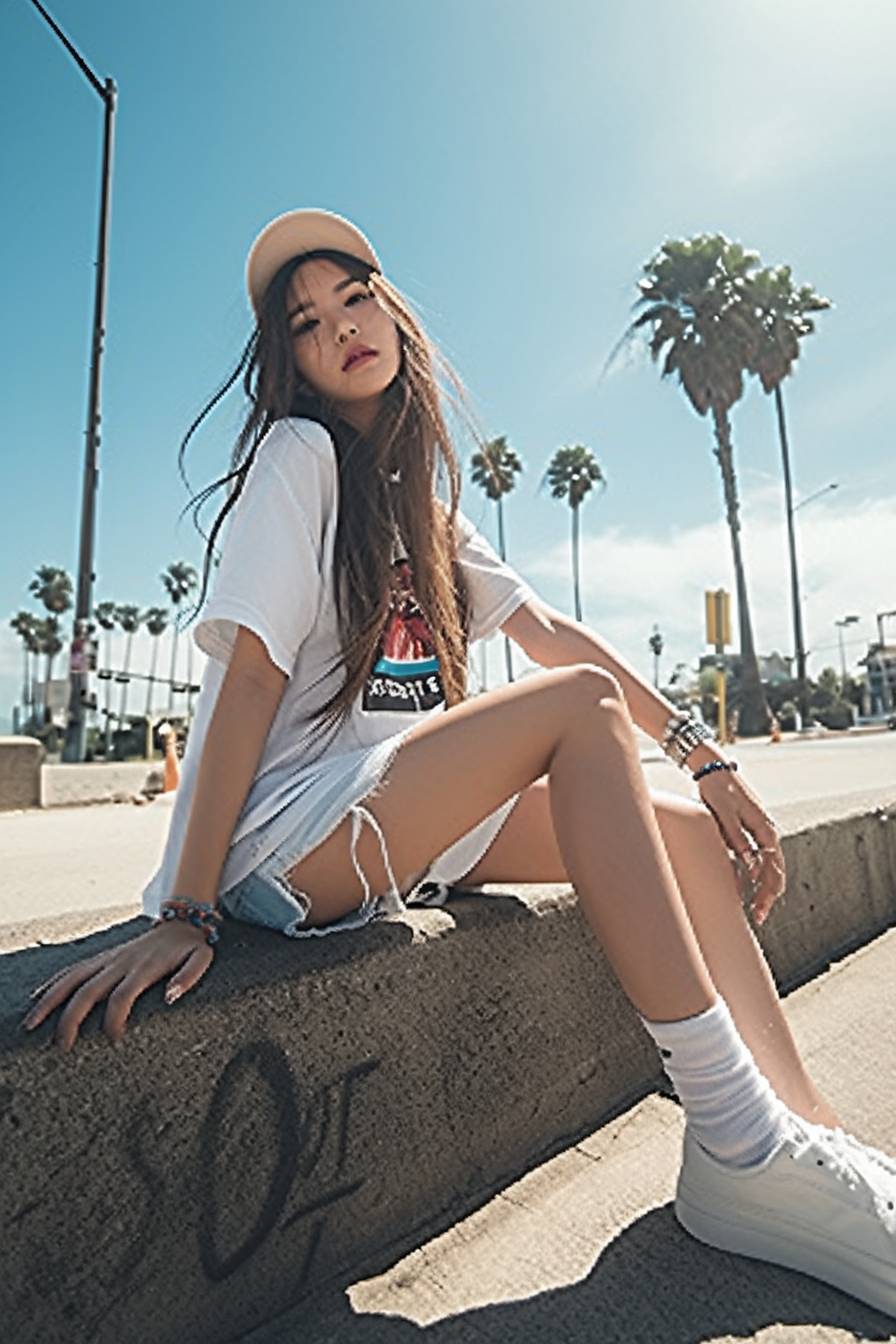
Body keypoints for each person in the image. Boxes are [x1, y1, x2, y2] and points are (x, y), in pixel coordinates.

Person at [22, 209, 896, 1318]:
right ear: (282, 361)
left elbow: (554, 638)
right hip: (289, 840)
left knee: (677, 827)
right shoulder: (297, 459)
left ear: (393, 311)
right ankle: (735, 1134)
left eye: (356, 297)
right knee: (576, 717)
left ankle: (800, 1132)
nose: (340, 327)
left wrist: (704, 758)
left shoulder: (421, 510)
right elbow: (244, 681)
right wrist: (185, 907)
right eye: (305, 322)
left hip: (386, 822)